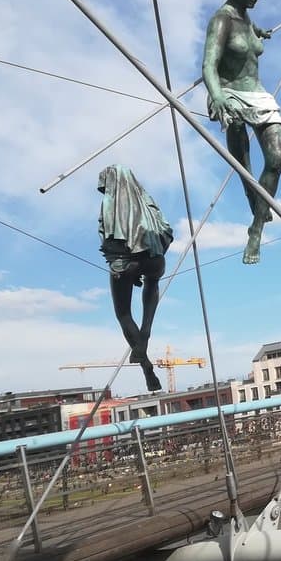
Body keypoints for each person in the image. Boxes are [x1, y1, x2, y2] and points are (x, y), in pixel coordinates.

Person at [203, 0, 281, 264]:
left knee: (276, 159)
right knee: (244, 163)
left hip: (258, 94)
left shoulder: (247, 18)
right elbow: (208, 65)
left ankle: (256, 229)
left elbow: (248, 35)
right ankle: (253, 197)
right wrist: (216, 96)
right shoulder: (220, 21)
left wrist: (257, 33)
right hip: (230, 94)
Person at [98, 165, 172, 392]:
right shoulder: (148, 201)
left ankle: (147, 368)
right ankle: (147, 329)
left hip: (125, 262)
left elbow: (107, 239)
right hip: (155, 259)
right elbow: (166, 231)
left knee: (123, 314)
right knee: (153, 281)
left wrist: (127, 264)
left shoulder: (109, 203)